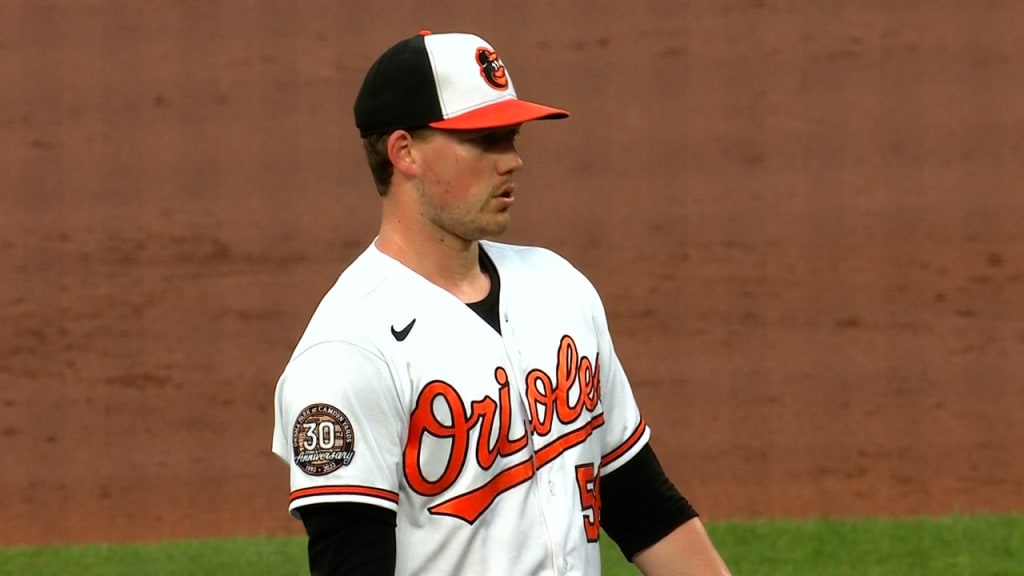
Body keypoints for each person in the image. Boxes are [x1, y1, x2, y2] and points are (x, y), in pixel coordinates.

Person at [271, 30, 732, 576]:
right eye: (483, 140)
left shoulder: (558, 288)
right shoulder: (348, 353)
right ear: (404, 152)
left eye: (510, 137)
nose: (511, 160)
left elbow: (641, 503)